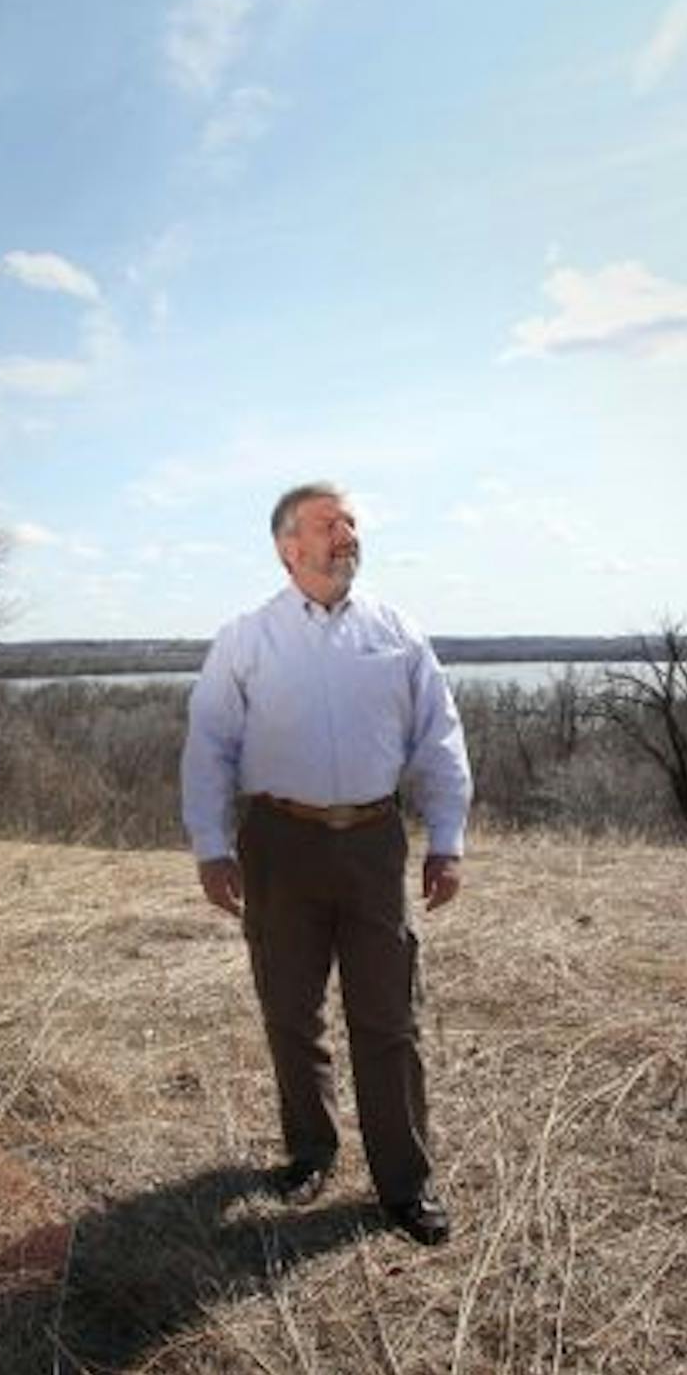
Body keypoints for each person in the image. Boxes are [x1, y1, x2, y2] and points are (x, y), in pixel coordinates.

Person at [181, 481, 473, 1246]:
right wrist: (212, 844)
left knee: (388, 1016)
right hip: (279, 842)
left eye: (350, 522)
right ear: (290, 546)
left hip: (375, 841)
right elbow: (209, 743)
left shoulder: (395, 628)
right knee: (290, 1009)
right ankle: (310, 1153)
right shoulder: (246, 638)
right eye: (329, 523)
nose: (347, 533)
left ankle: (405, 1183)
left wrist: (447, 835)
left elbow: (439, 732)